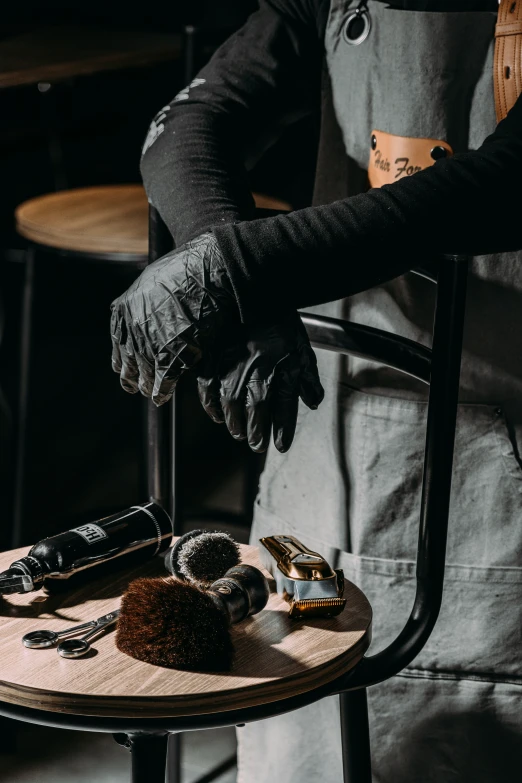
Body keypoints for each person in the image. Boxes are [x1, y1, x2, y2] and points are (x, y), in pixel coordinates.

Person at [110, 1, 522, 780]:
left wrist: (240, 269)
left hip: (499, 476)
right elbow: (194, 121)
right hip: (330, 430)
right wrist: (241, 284)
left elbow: (503, 182)